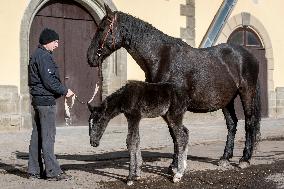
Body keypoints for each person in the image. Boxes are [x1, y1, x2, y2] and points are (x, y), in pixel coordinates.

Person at [28, 28, 74, 181]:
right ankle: (53, 172)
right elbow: (49, 81)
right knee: (47, 137)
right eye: (55, 42)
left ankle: (33, 171)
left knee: (37, 137)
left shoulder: (37, 55)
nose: (57, 45)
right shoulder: (43, 57)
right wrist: (65, 91)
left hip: (38, 101)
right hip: (46, 102)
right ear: (47, 41)